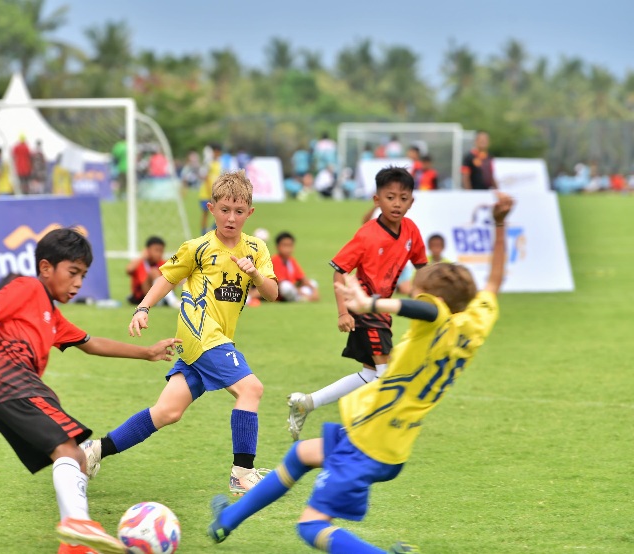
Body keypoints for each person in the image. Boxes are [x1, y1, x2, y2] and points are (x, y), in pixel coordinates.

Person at [209, 194, 515, 553]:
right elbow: (493, 281)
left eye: (415, 286)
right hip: (391, 443)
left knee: (310, 527)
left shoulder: (435, 321)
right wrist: (499, 224)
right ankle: (226, 521)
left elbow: (424, 311)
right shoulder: (474, 322)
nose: (409, 287)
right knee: (300, 456)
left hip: (369, 440)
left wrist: (372, 303)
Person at [0, 227, 180, 554]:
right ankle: (77, 524)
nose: (78, 282)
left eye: (83, 275)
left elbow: (92, 344)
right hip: (8, 377)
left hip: (1, 388)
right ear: (46, 268)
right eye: (73, 273)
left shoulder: (52, 316)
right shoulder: (29, 287)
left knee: (74, 455)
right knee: (71, 451)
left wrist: (147, 352)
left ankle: (75, 546)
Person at [83, 170, 279, 495]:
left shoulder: (256, 249)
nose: (231, 218)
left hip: (205, 345)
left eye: (239, 211)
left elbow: (272, 293)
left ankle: (95, 451)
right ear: (211, 208)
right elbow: (167, 278)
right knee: (252, 389)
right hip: (203, 337)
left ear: (250, 212)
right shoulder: (198, 247)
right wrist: (143, 308)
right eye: (225, 210)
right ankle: (242, 473)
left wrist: (255, 275)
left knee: (166, 412)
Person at [287, 167, 427, 441]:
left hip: (382, 312)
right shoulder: (367, 235)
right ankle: (361, 430)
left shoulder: (411, 231)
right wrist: (342, 312)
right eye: (390, 197)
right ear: (377, 200)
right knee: (387, 375)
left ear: (411, 201)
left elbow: (423, 268)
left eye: (403, 197)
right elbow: (339, 270)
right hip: (364, 310)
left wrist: (428, 300)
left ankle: (307, 402)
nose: (396, 203)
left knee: (371, 373)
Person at [126, 236, 178, 307]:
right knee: (154, 272)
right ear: (147, 250)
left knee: (176, 272)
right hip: (141, 296)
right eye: (156, 250)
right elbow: (129, 270)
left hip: (158, 295)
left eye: (161, 251)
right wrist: (142, 256)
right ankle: (173, 301)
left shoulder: (161, 263)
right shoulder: (140, 263)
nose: (159, 254)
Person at [272, 232, 319, 302]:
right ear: (277, 247)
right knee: (286, 286)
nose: (287, 249)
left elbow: (302, 278)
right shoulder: (275, 260)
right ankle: (300, 299)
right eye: (284, 245)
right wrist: (299, 291)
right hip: (280, 294)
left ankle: (302, 298)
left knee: (313, 283)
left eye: (290, 245)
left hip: (293, 289)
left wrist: (314, 290)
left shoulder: (291, 260)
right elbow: (281, 283)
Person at [199, 144, 223, 235]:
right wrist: (210, 192)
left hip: (216, 193)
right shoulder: (208, 163)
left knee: (219, 212)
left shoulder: (219, 163)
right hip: (206, 193)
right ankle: (203, 233)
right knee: (205, 213)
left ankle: (212, 230)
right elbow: (205, 177)